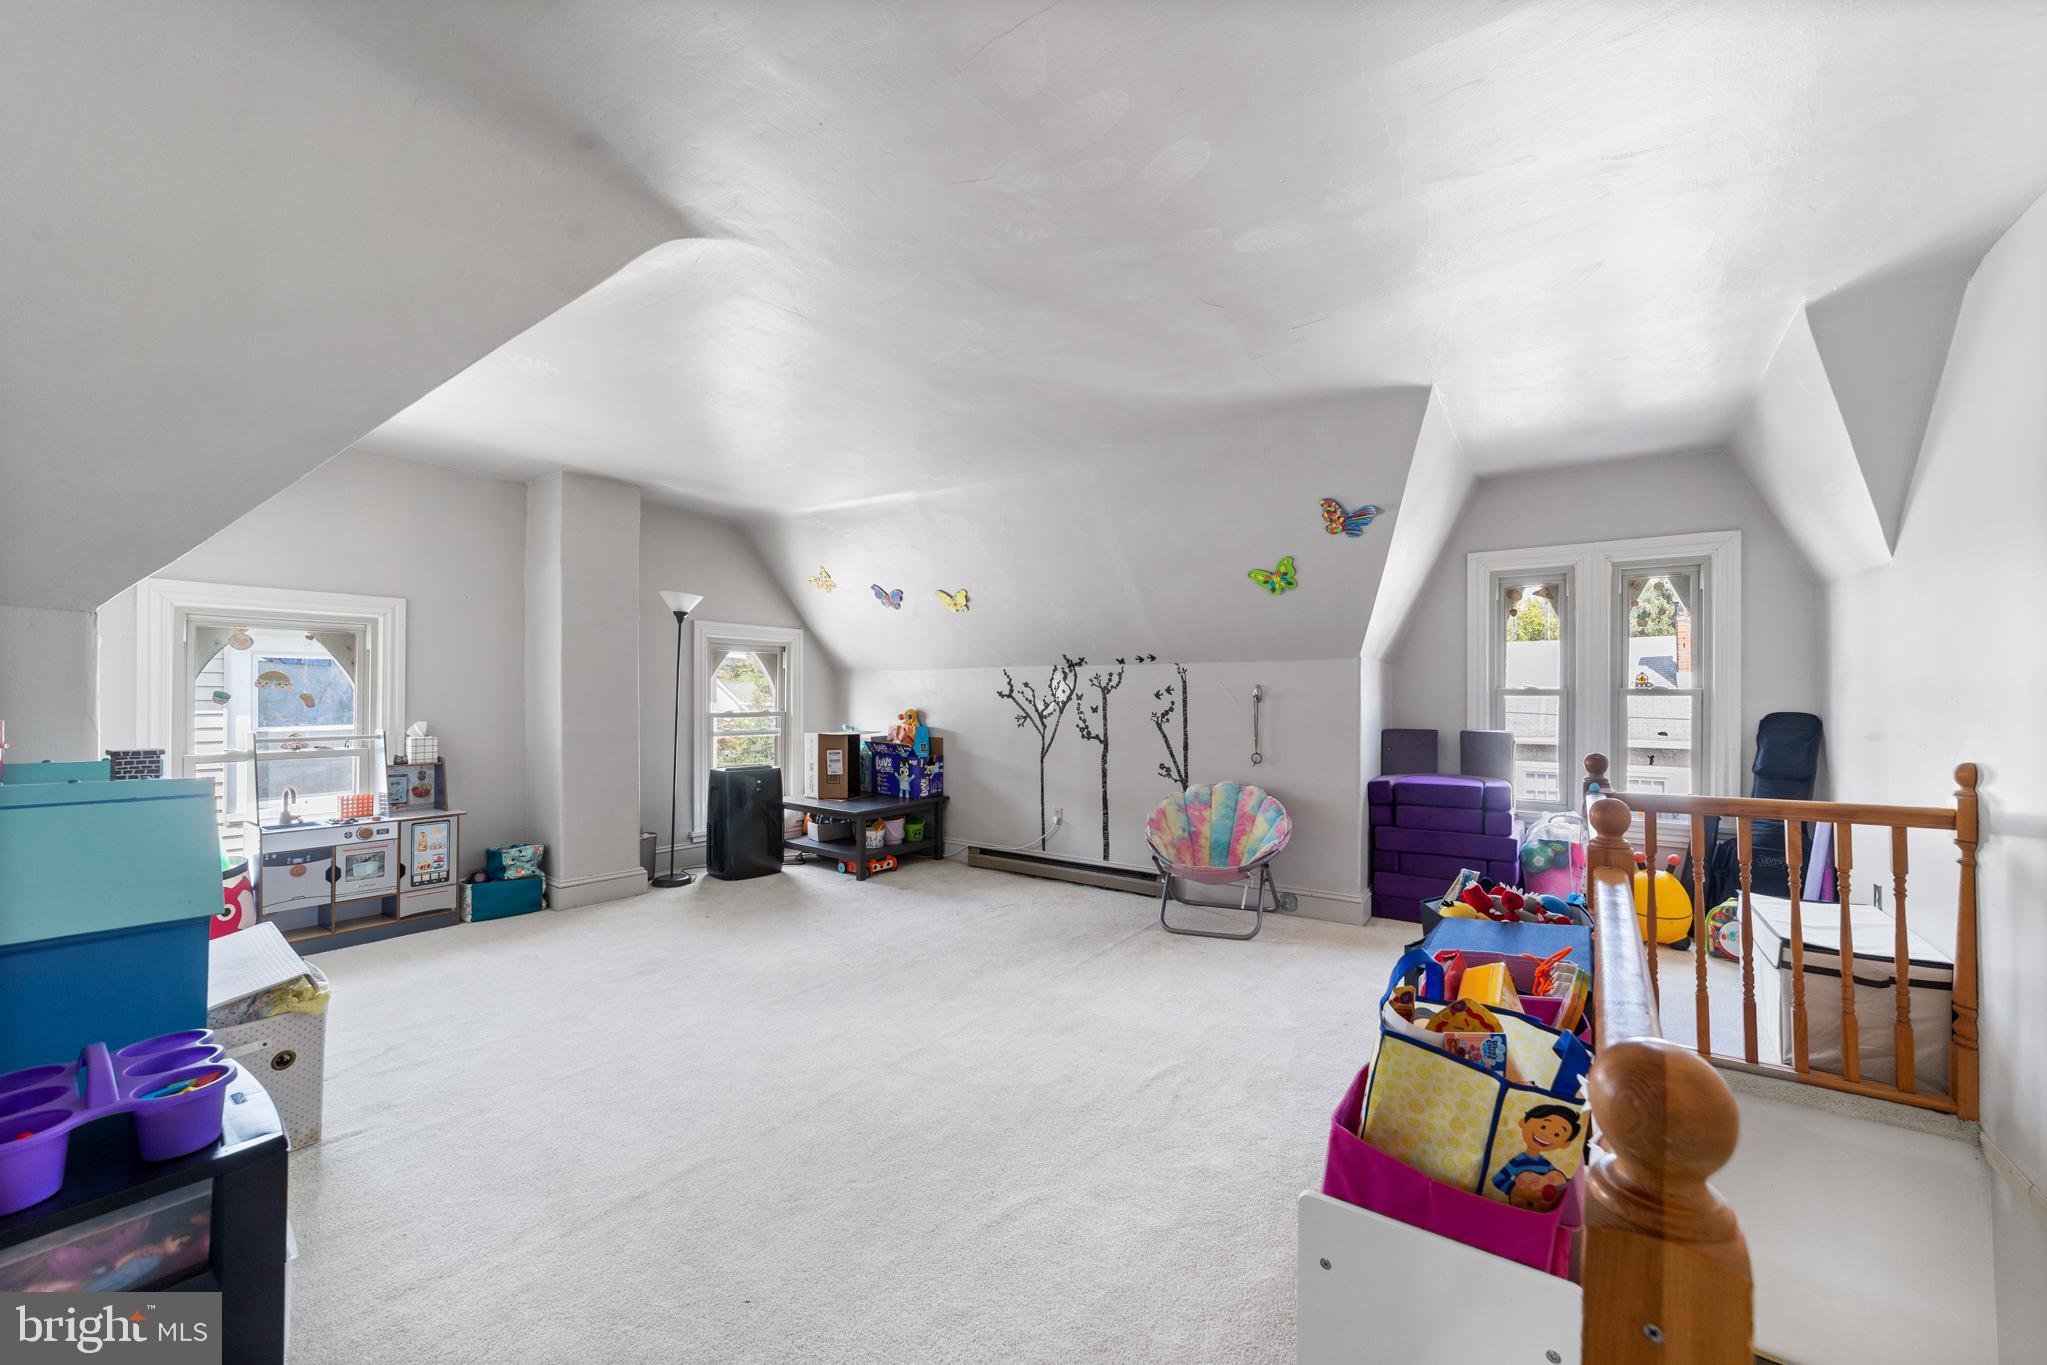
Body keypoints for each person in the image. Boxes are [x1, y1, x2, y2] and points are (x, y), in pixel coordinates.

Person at [1490, 1104, 1582, 1212]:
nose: (1546, 1135)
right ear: (1523, 1123)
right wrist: (1516, 1191)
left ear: (1565, 1144)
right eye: (1543, 1127)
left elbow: (1559, 1183)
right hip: (1512, 1208)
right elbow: (1498, 1179)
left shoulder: (1546, 1164)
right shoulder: (1517, 1162)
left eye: (1557, 1134)